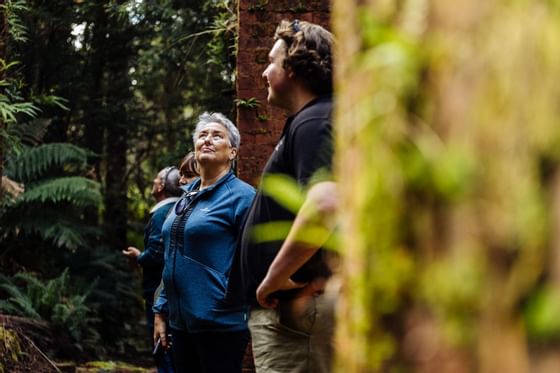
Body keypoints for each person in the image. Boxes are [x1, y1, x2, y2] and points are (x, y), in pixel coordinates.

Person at [226, 19, 337, 373]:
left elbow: (325, 202)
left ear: (295, 66)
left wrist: (274, 277)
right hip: (292, 315)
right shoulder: (312, 121)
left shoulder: (314, 121)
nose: (263, 73)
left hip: (293, 315)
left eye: (271, 62)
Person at [153, 112, 256, 373]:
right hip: (180, 324)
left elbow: (256, 259)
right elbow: (170, 256)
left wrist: (230, 303)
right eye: (202, 135)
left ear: (233, 152)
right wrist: (160, 311)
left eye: (217, 135)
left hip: (220, 324)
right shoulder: (185, 198)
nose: (207, 139)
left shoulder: (243, 197)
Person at [123, 166, 184, 373]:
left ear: (162, 186)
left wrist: (139, 257)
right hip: (170, 290)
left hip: (159, 292)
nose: (153, 182)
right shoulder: (179, 208)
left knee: (162, 347)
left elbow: (157, 254)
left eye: (156, 179)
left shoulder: (161, 214)